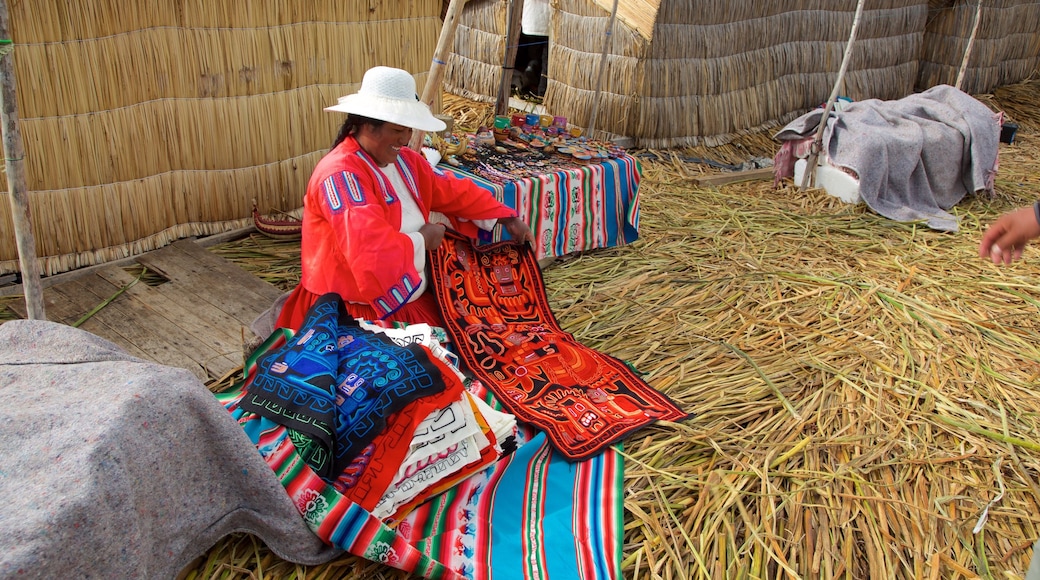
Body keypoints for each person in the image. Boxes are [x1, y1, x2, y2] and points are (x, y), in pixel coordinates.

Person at [274, 66, 534, 331]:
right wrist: (424, 239)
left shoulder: (406, 161)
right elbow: (371, 251)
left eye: (409, 129)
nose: (406, 138)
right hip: (355, 309)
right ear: (367, 126)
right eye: (398, 130)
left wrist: (506, 217)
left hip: (406, 296)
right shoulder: (342, 178)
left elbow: (450, 190)